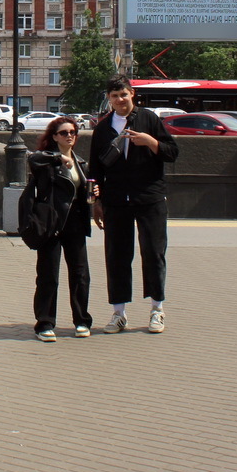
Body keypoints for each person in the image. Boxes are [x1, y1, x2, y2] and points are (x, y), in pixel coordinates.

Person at [87, 76, 179, 334]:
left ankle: (157, 310)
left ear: (132, 94)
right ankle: (119, 313)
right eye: (115, 96)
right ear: (109, 98)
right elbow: (95, 169)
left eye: (124, 95)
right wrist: (96, 202)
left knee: (153, 252)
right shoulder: (103, 128)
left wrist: (150, 142)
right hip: (116, 200)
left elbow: (172, 152)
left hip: (149, 197)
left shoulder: (149, 119)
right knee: (117, 255)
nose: (120, 100)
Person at [23, 115, 95, 342]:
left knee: (80, 274)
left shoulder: (80, 163)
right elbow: (33, 158)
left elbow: (81, 190)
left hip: (75, 221)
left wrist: (93, 193)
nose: (70, 136)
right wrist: (58, 159)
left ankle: (82, 321)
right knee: (48, 275)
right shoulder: (45, 161)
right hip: (52, 222)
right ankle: (45, 323)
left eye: (73, 132)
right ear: (54, 137)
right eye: (64, 133)